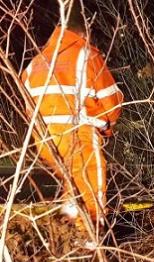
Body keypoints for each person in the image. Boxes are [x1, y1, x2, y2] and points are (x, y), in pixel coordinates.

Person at [20, 1, 123, 233]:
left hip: (45, 141)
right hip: (77, 135)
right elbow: (111, 102)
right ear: (83, 31)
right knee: (91, 193)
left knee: (72, 187)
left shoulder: (36, 62)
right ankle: (88, 245)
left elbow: (27, 106)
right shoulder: (85, 55)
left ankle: (66, 234)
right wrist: (106, 127)